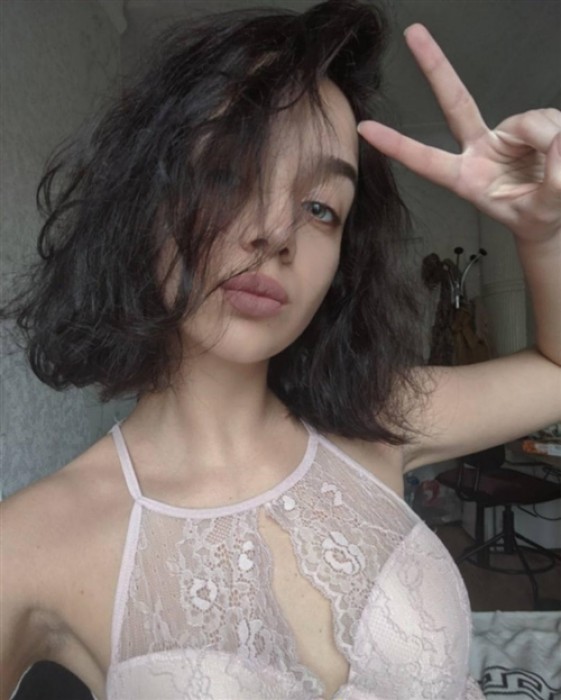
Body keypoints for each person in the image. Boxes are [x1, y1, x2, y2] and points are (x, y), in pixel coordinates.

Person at [1, 1, 559, 698]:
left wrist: (543, 238)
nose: (275, 231)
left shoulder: (378, 416)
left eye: (320, 207)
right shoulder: (25, 547)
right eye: (226, 174)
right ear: (143, 202)